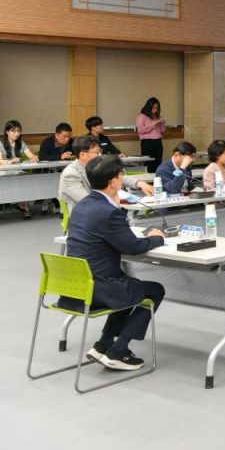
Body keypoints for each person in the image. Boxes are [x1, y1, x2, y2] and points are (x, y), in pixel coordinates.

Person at [65, 155, 165, 371]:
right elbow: (133, 247)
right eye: (121, 175)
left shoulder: (82, 205)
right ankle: (118, 351)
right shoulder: (109, 212)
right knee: (155, 290)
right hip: (99, 287)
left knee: (127, 284)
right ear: (113, 182)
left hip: (76, 286)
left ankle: (103, 344)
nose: (122, 179)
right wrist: (157, 237)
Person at [0, 119, 39, 218]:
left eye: (18, 131)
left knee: (28, 180)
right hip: (3, 172)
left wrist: (34, 157)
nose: (16, 134)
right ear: (7, 132)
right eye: (13, 131)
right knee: (17, 183)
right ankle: (23, 207)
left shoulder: (21, 144)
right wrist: (10, 161)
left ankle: (23, 205)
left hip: (16, 170)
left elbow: (30, 155)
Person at [59, 135, 103, 212]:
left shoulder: (93, 167)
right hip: (80, 212)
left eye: (100, 151)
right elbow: (87, 201)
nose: (100, 155)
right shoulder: (70, 174)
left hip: (94, 206)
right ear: (83, 155)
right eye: (97, 152)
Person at [135, 97, 166, 173]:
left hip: (158, 142)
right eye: (153, 108)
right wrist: (154, 123)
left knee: (158, 163)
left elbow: (162, 131)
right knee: (148, 164)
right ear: (148, 107)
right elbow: (141, 130)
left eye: (157, 108)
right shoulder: (141, 117)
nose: (155, 110)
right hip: (147, 143)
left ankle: (157, 178)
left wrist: (162, 124)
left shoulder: (157, 117)